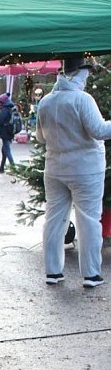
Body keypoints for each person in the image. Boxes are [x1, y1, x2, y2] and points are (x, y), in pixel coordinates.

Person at [36, 54, 111, 288]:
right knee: (88, 219)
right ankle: (91, 274)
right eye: (86, 73)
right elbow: (99, 130)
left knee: (54, 219)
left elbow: (39, 136)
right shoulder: (82, 99)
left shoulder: (46, 101)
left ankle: (53, 271)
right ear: (79, 73)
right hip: (85, 169)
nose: (88, 77)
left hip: (55, 167)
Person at [0, 92, 16, 173]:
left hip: (5, 132)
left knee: (7, 150)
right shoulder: (10, 108)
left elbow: (1, 122)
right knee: (4, 150)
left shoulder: (4, 110)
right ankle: (2, 167)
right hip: (10, 132)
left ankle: (13, 167)